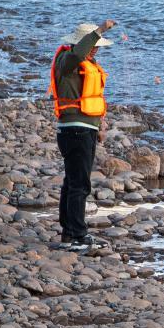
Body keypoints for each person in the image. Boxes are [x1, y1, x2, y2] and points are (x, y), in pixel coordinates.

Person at [49, 20, 117, 250]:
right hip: (75, 130)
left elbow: (90, 98)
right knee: (79, 184)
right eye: (94, 44)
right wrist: (100, 30)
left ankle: (69, 234)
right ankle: (78, 235)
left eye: (98, 46)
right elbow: (78, 53)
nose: (96, 49)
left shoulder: (82, 62)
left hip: (82, 128)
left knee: (72, 182)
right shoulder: (68, 60)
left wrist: (99, 126)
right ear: (82, 43)